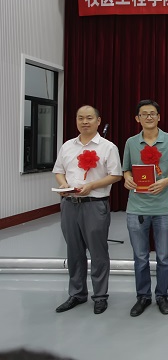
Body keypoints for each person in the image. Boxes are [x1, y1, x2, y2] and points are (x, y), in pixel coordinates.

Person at [52, 105, 122, 314]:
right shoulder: (67, 146)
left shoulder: (108, 147)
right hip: (69, 205)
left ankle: (100, 296)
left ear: (98, 121)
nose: (85, 122)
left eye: (89, 118)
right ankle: (77, 294)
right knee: (74, 252)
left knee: (98, 252)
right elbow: (58, 171)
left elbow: (116, 175)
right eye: (80, 118)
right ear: (76, 121)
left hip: (94, 205)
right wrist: (63, 184)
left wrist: (92, 185)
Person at [122, 100, 168, 317]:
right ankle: (143, 296)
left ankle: (162, 295)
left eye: (152, 113)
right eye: (144, 114)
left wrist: (166, 181)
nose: (149, 117)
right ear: (137, 118)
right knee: (140, 257)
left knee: (164, 257)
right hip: (136, 207)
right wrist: (127, 179)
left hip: (163, 208)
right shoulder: (131, 142)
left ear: (159, 117)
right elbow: (126, 170)